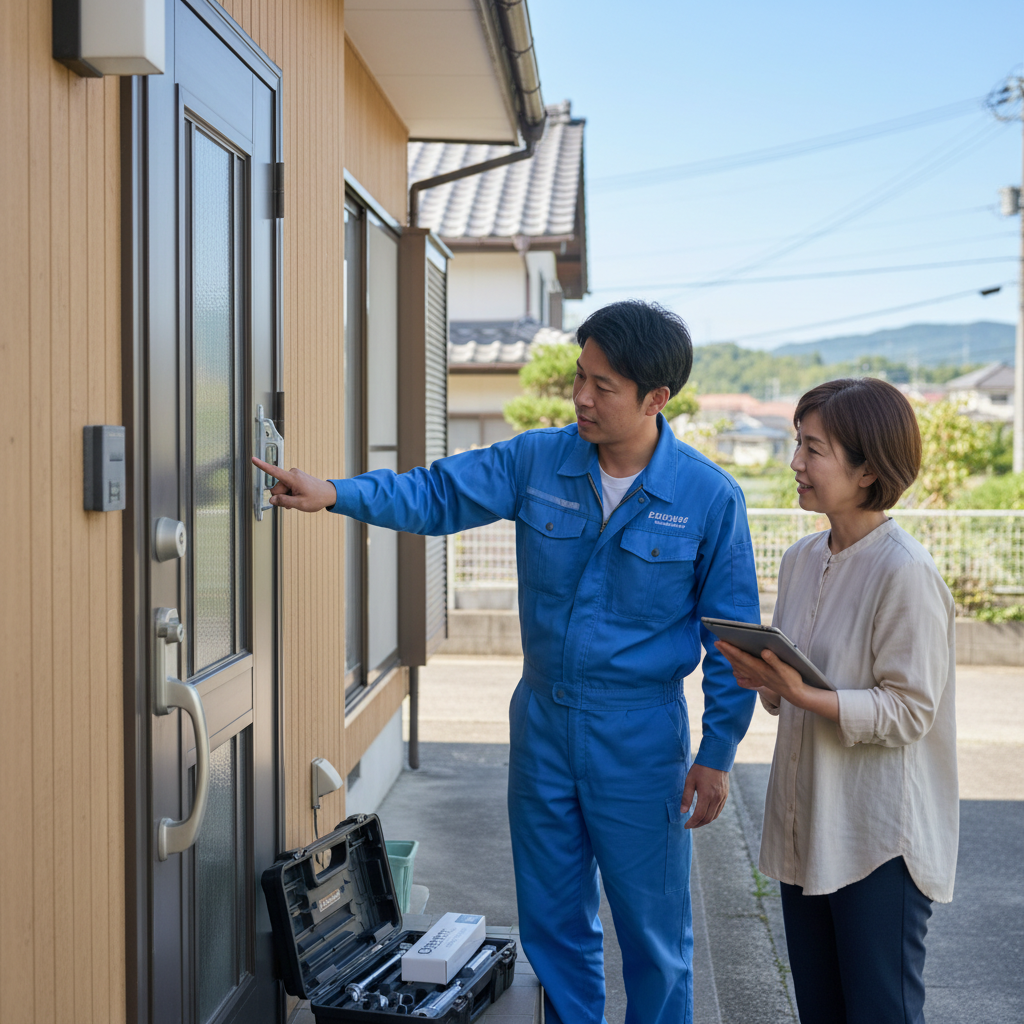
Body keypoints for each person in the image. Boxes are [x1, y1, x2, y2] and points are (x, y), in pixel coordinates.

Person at [254, 300, 760, 1024]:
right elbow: (437, 493)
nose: (582, 397)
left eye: (604, 386)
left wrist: (717, 751)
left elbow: (732, 641)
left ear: (656, 399)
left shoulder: (708, 498)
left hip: (640, 739)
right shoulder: (537, 459)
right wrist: (334, 494)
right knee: (554, 928)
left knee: (654, 937)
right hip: (544, 726)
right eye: (580, 377)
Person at [715, 378, 957, 1024]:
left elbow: (909, 710)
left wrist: (802, 694)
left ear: (869, 468)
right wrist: (771, 686)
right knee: (819, 1013)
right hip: (806, 828)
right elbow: (794, 690)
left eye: (813, 449)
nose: (795, 463)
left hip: (878, 842)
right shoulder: (800, 559)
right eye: (798, 444)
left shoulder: (905, 571)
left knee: (881, 1013)